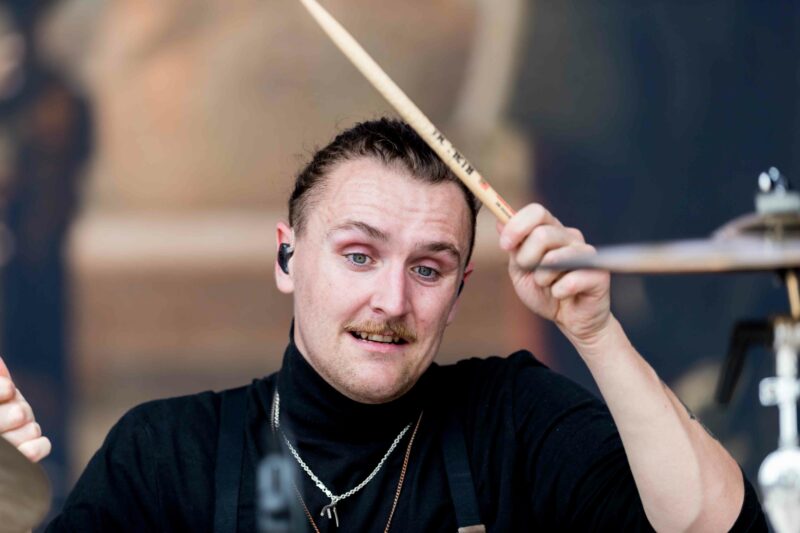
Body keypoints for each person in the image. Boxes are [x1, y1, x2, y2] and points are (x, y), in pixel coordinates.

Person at [10, 118, 765, 530]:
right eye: (359, 255)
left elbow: (714, 528)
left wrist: (596, 333)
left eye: (429, 269)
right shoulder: (167, 453)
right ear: (286, 256)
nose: (393, 301)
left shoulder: (516, 423)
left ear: (458, 291)